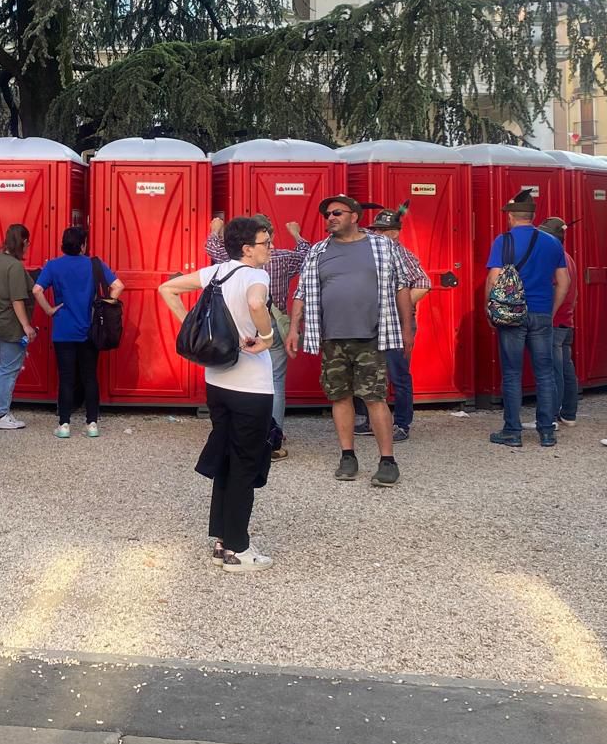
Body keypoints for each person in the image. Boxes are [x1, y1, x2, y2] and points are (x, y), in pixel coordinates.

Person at [159, 216, 276, 571]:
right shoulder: (256, 276)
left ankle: (223, 540)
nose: (270, 248)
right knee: (245, 463)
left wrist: (191, 325)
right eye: (265, 243)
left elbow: (166, 289)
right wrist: (268, 336)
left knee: (226, 459)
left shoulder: (216, 272)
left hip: (217, 383)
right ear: (247, 249)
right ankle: (239, 550)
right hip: (251, 387)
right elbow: (255, 304)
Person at [289, 195, 417, 486]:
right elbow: (302, 292)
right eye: (327, 214)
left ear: (354, 216)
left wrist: (407, 328)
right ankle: (348, 456)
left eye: (336, 213)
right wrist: (294, 328)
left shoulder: (382, 246)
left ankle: (387, 461)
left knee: (375, 398)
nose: (330, 218)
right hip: (332, 339)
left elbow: (401, 286)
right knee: (340, 397)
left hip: (371, 336)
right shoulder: (318, 251)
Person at [206, 215, 308, 456]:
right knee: (275, 381)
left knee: (235, 377)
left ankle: (239, 433)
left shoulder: (233, 259)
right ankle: (272, 437)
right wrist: (296, 233)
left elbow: (212, 248)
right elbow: (307, 253)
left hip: (240, 325)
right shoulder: (283, 257)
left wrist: (215, 229)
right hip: (273, 324)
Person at [484, 190, 569, 448]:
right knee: (545, 373)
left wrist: (490, 310)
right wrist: (551, 311)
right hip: (541, 312)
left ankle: (512, 431)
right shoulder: (552, 243)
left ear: (510, 216)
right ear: (533, 216)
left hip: (511, 314)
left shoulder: (504, 240)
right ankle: (547, 431)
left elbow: (493, 278)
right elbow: (564, 282)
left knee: (512, 374)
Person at [33, 226, 123, 440]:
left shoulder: (53, 265)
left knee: (66, 378)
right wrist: (103, 305)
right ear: (83, 245)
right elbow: (118, 286)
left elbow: (37, 290)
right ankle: (92, 424)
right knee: (89, 376)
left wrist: (49, 310)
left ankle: (64, 424)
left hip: (63, 330)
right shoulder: (94, 264)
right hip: (89, 329)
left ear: (63, 244)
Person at [364, 204, 431, 441]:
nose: (376, 233)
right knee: (371, 373)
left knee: (399, 375)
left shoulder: (402, 254)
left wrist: (398, 305)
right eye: (375, 230)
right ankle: (373, 422)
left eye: (381, 230)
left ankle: (402, 424)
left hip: (397, 322)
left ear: (394, 232)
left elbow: (424, 283)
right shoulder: (375, 251)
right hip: (375, 321)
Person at [0, 223, 36, 431]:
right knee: (10, 368)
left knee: (4, 363)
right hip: (10, 325)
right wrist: (27, 326)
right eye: (28, 243)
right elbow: (17, 300)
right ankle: (1, 414)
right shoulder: (15, 267)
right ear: (24, 242)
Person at [538, 217, 580, 428]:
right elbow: (575, 292)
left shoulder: (552, 258)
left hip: (555, 321)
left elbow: (558, 288)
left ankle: (551, 415)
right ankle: (569, 413)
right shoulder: (568, 258)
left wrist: (549, 314)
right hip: (567, 320)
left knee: (553, 370)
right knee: (566, 368)